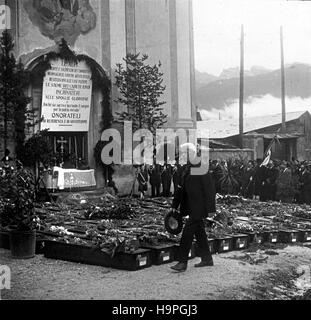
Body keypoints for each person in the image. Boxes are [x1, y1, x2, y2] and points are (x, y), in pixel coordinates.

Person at [170, 143, 216, 272]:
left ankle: (182, 261)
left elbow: (209, 189)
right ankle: (207, 259)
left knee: (187, 232)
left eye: (184, 153)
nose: (182, 156)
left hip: (199, 207)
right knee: (199, 232)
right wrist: (175, 205)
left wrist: (211, 209)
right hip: (191, 206)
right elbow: (180, 188)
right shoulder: (186, 168)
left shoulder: (201, 166)